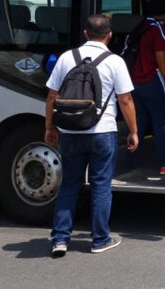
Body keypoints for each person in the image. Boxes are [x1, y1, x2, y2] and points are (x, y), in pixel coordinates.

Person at [44, 14, 137, 257]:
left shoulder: (66, 58)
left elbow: (52, 96)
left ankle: (60, 239)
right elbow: (125, 100)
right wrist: (134, 131)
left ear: (85, 33)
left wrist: (50, 127)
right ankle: (99, 240)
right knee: (100, 186)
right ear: (109, 36)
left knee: (69, 185)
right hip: (102, 132)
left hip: (70, 132)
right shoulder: (115, 61)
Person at [132, 0, 165, 175]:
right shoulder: (158, 28)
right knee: (161, 123)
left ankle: (132, 160)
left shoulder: (140, 26)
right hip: (153, 81)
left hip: (135, 82)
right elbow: (161, 58)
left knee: (139, 123)